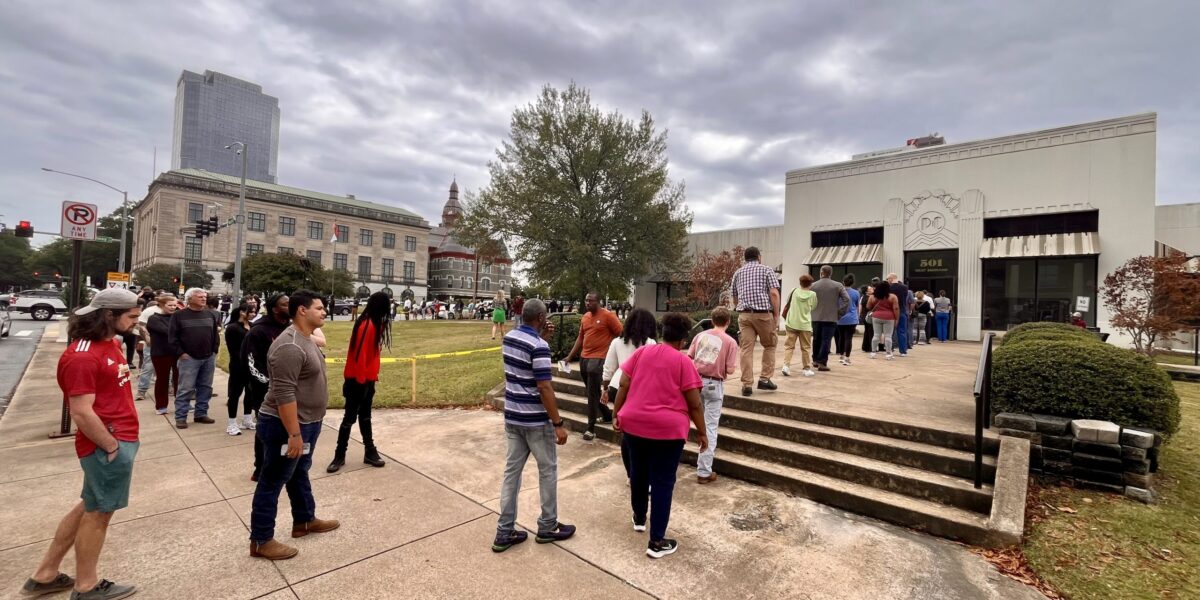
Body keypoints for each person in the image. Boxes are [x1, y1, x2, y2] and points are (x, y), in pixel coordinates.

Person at [23, 289, 141, 599]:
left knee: (88, 507)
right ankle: (86, 586)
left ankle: (45, 574)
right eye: (131, 316)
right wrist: (111, 445)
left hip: (117, 436)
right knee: (99, 514)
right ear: (108, 315)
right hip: (107, 443)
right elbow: (80, 411)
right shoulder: (83, 355)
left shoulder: (108, 345)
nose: (136, 322)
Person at [249, 290, 339, 560]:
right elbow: (284, 395)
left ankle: (305, 520)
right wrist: (294, 435)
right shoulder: (289, 345)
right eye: (319, 308)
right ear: (302, 310)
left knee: (299, 472)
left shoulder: (306, 338)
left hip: (308, 422)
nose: (324, 312)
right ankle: (261, 539)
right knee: (272, 480)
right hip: (285, 425)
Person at [613, 313, 708, 559]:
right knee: (663, 482)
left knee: (638, 472)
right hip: (668, 430)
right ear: (683, 339)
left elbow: (623, 384)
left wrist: (616, 413)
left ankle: (638, 517)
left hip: (634, 424)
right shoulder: (683, 362)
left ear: (662, 332)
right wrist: (702, 432)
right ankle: (656, 541)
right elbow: (695, 403)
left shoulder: (642, 352)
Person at [492, 299, 576, 552]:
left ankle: (504, 531)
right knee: (547, 472)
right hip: (536, 421)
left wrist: (543, 339)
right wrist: (558, 423)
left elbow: (524, 369)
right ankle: (548, 526)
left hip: (513, 417)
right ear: (540, 318)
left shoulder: (510, 338)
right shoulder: (538, 346)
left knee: (511, 474)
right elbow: (543, 386)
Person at [328, 292, 392, 472]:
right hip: (357, 379)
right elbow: (360, 355)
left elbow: (372, 355)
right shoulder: (367, 324)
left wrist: (371, 377)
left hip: (367, 379)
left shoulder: (375, 323)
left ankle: (370, 451)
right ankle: (339, 455)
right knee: (349, 418)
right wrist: (362, 380)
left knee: (365, 417)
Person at [601, 307, 658, 478]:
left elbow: (608, 368)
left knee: (627, 435)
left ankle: (631, 475)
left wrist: (604, 389)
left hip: (619, 388)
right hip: (642, 391)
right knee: (644, 434)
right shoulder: (650, 343)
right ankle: (644, 472)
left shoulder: (617, 342)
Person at [243, 293, 291, 482]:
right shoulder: (258, 331)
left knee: (288, 428)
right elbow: (251, 363)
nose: (290, 307)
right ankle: (260, 467)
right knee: (265, 430)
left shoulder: (290, 328)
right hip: (265, 390)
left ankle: (284, 464)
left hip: (289, 390)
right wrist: (270, 384)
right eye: (286, 304)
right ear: (274, 309)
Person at [687, 307, 737, 484]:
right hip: (714, 384)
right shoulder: (730, 342)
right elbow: (730, 369)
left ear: (712, 320)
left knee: (686, 419)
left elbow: (689, 356)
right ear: (728, 321)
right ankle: (704, 471)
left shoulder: (700, 336)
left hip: (695, 382)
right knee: (710, 427)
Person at [565, 292, 623, 441]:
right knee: (592, 391)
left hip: (599, 359)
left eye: (591, 301)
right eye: (586, 300)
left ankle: (590, 428)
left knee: (592, 394)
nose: (587, 303)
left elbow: (621, 335)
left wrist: (615, 357)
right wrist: (570, 356)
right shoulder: (585, 317)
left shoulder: (608, 316)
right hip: (584, 358)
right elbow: (581, 337)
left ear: (599, 302)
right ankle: (607, 415)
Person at [730, 246, 780, 396]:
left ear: (745, 258)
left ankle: (746, 384)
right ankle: (764, 379)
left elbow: (734, 297)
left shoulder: (737, 273)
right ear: (759, 257)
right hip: (763, 314)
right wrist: (776, 315)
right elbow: (774, 293)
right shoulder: (766, 270)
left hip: (744, 315)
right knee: (770, 344)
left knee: (746, 349)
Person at [809, 265, 850, 372]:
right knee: (826, 340)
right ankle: (822, 362)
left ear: (821, 272)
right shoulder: (838, 285)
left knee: (816, 339)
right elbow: (847, 299)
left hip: (815, 317)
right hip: (831, 317)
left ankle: (815, 360)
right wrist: (840, 313)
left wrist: (810, 311)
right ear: (831, 273)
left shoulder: (813, 286)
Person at [147, 294, 181, 415]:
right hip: (161, 353)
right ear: (162, 305)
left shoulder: (178, 317)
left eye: (175, 305)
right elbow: (168, 332)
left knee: (179, 379)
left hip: (177, 352)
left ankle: (181, 404)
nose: (173, 307)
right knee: (162, 379)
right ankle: (161, 405)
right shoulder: (154, 319)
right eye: (170, 305)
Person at [225, 303, 255, 436]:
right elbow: (233, 350)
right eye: (251, 312)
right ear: (243, 312)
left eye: (255, 311)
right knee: (235, 394)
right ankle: (232, 423)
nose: (254, 314)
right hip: (238, 366)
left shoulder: (253, 327)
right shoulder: (232, 328)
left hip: (252, 366)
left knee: (250, 392)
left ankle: (247, 419)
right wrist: (245, 360)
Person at [781, 274, 817, 377]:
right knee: (805, 347)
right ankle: (806, 369)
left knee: (789, 346)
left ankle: (786, 366)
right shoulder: (813, 294)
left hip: (791, 322)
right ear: (810, 284)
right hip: (805, 325)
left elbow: (788, 301)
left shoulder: (794, 291)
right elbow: (813, 306)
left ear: (800, 282)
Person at [867, 282, 900, 360]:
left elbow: (868, 306)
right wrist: (897, 318)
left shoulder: (872, 297)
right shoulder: (892, 297)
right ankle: (888, 354)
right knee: (888, 336)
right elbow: (896, 308)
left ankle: (873, 353)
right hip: (889, 317)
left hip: (876, 317)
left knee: (876, 335)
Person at [834, 274, 860, 366]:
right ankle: (847, 358)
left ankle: (841, 356)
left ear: (843, 282)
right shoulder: (856, 293)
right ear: (852, 283)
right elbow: (857, 306)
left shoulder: (838, 292)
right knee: (848, 338)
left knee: (841, 337)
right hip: (851, 318)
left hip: (840, 318)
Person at [886, 274, 912, 356]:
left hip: (891, 311)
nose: (887, 280)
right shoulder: (905, 287)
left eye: (888, 279)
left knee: (889, 332)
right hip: (902, 311)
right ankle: (903, 351)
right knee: (902, 331)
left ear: (891, 278)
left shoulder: (888, 288)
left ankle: (890, 349)